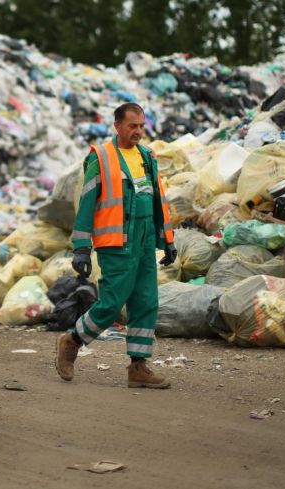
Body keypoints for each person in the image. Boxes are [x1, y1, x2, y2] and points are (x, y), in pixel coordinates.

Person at [55, 102, 177, 388]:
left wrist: (167, 241)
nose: (137, 132)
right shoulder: (101, 157)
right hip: (116, 242)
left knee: (146, 302)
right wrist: (82, 246)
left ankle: (138, 366)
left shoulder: (147, 156)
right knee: (111, 304)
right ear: (117, 126)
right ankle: (72, 341)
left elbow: (157, 200)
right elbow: (87, 204)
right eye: (132, 126)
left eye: (141, 126)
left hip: (145, 242)